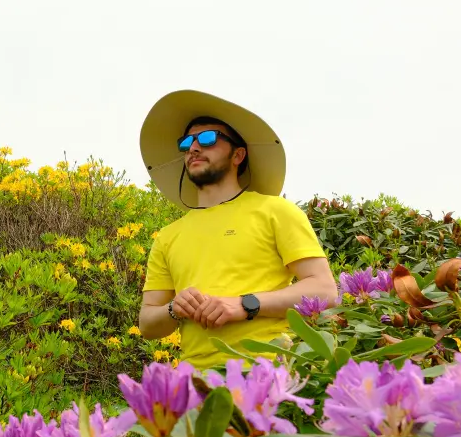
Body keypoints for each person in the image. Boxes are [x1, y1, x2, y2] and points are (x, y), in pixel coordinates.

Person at [136, 90, 338, 368]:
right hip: (193, 383)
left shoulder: (275, 211)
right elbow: (148, 324)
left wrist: (244, 305)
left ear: (238, 154)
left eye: (208, 139)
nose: (194, 148)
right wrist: (175, 308)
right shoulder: (169, 236)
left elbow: (325, 290)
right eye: (187, 142)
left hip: (267, 370)